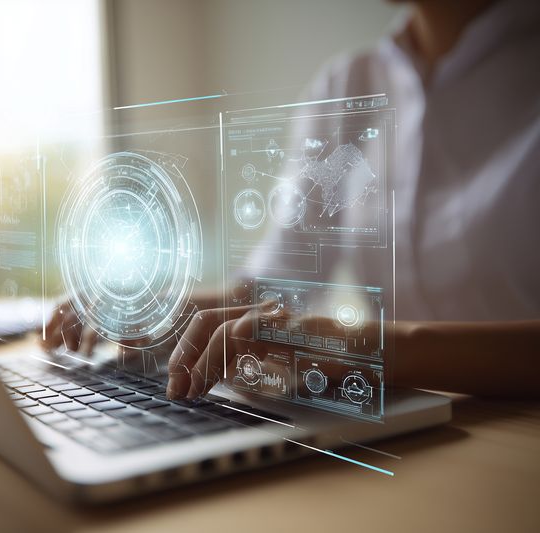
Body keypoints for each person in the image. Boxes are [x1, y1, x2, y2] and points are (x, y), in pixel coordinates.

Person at [44, 0, 540, 400]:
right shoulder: (346, 86)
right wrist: (170, 310)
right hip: (407, 430)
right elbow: (283, 282)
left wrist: (367, 345)